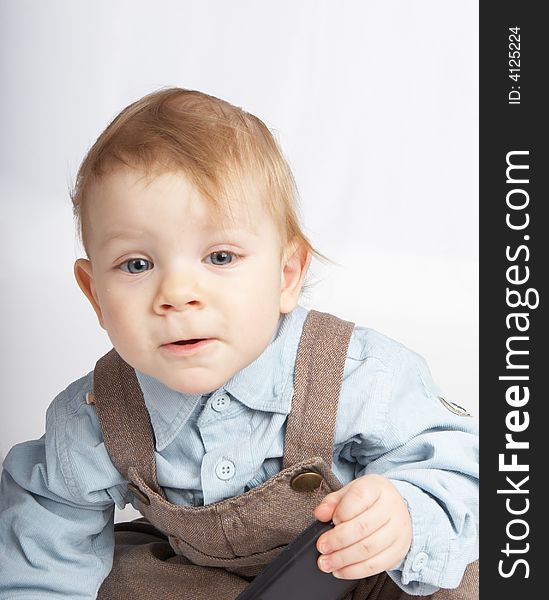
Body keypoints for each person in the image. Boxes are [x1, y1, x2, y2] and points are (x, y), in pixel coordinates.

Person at [0, 87, 478, 599]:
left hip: (356, 577)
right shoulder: (97, 415)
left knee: (469, 575)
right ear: (95, 293)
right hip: (202, 583)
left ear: (285, 275)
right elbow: (46, 539)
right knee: (116, 577)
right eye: (137, 265)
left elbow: (460, 457)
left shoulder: (354, 372)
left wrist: (405, 510)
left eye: (220, 257)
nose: (178, 295)